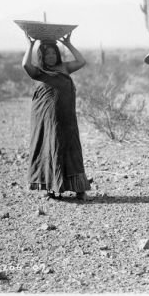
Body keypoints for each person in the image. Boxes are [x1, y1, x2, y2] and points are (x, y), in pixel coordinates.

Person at [22, 33, 92, 201]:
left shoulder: (65, 68)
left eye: (54, 53)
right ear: (42, 56)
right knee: (49, 148)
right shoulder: (38, 72)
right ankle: (51, 187)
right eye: (47, 54)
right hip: (47, 119)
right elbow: (25, 64)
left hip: (67, 118)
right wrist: (30, 44)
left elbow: (81, 61)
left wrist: (68, 43)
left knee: (71, 149)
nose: (51, 56)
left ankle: (79, 189)